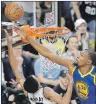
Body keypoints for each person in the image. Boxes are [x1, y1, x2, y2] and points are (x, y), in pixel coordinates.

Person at [14, 26, 96, 104]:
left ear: (88, 62)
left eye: (81, 56)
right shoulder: (72, 66)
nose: (78, 56)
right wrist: (27, 37)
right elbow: (48, 54)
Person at [5, 29, 73, 104]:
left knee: (62, 85)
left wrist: (9, 45)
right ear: (38, 85)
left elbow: (14, 67)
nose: (36, 77)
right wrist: (70, 85)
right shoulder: (46, 91)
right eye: (36, 78)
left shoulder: (27, 91)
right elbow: (64, 102)